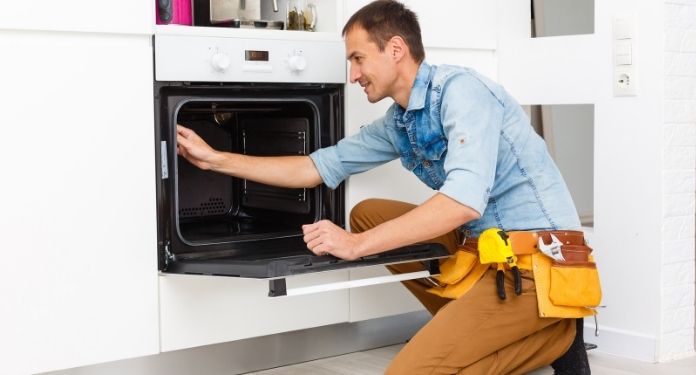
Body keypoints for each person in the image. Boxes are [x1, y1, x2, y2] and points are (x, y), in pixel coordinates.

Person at [176, 1, 597, 373]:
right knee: (367, 214)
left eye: (358, 58)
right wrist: (217, 159)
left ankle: (552, 330)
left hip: (533, 261)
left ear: (395, 49)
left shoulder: (462, 93)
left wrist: (357, 246)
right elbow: (316, 166)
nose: (353, 74)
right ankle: (529, 334)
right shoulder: (400, 122)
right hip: (485, 248)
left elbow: (463, 204)